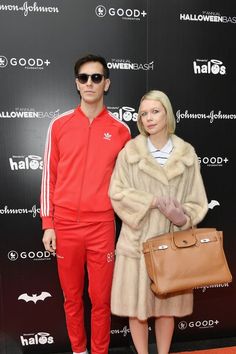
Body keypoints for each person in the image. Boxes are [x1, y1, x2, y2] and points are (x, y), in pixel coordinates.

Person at [40, 54, 131, 354]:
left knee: (101, 300)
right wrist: (48, 224)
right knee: (71, 297)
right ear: (76, 84)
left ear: (107, 83)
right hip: (65, 226)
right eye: (84, 78)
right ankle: (79, 351)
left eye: (96, 77)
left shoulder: (121, 131)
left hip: (102, 226)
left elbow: (127, 185)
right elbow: (48, 178)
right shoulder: (59, 125)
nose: (89, 83)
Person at [109, 90, 208, 354]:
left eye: (155, 111)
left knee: (167, 309)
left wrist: (182, 217)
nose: (149, 118)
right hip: (138, 243)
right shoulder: (130, 152)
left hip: (172, 244)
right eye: (144, 113)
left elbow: (198, 200)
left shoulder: (186, 153)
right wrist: (150, 202)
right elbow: (117, 193)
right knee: (137, 309)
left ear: (167, 113)